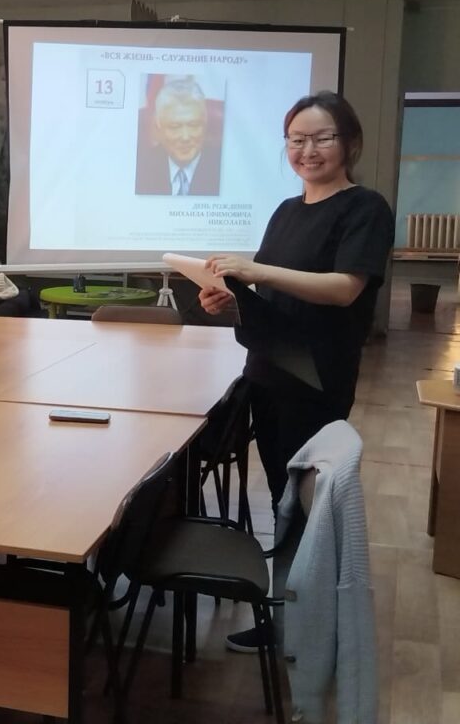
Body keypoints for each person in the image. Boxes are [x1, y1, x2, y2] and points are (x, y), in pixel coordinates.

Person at [198, 91, 393, 652]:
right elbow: (270, 295)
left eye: (322, 138)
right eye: (297, 139)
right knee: (284, 499)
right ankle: (287, 617)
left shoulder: (365, 208)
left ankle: (308, 626)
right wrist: (230, 300)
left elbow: (345, 288)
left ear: (349, 143)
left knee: (308, 507)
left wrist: (256, 271)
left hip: (317, 378)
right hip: (268, 370)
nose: (308, 150)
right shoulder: (286, 210)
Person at [135, 77, 221, 196]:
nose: (185, 137)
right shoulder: (142, 167)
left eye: (194, 125)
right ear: (159, 127)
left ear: (205, 123)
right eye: (174, 127)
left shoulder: (222, 166)